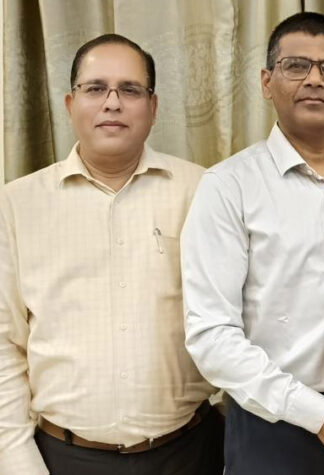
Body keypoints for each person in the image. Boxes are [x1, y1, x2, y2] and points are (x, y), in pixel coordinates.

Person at [181, 12, 324, 475]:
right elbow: (212, 336)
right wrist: (318, 415)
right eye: (296, 66)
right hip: (271, 426)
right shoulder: (228, 186)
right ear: (267, 82)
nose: (314, 80)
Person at [0, 34, 223, 475]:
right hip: (63, 457)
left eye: (130, 89)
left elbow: (240, 317)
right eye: (96, 88)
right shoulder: (16, 204)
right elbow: (5, 343)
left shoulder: (202, 191)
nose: (113, 103)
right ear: (70, 104)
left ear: (153, 107)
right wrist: (18, 459)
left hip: (190, 452)